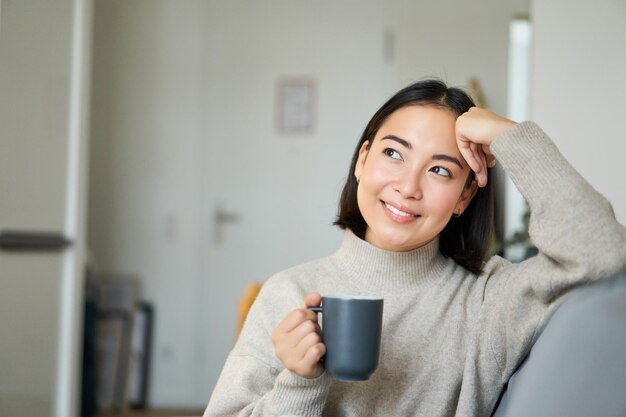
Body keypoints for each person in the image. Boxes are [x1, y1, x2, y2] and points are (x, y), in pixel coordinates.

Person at [203, 79, 625, 417]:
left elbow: (602, 251)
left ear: (463, 198)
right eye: (393, 153)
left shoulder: (488, 299)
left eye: (440, 170)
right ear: (362, 160)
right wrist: (300, 381)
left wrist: (511, 137)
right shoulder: (290, 292)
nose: (407, 187)